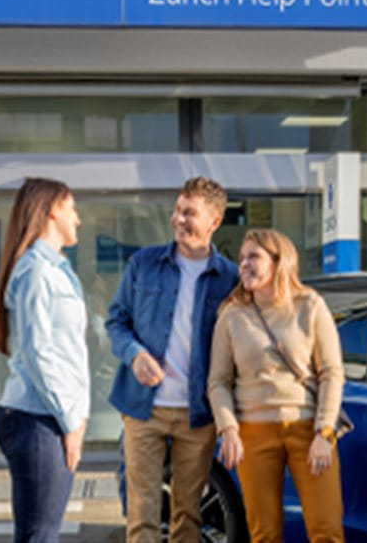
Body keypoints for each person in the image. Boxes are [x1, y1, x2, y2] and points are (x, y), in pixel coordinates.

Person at [106, 176, 238, 543]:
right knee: (141, 510)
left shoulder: (230, 279)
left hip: (197, 413)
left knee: (188, 513)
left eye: (190, 213)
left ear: (214, 221)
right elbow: (116, 321)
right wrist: (134, 355)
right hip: (143, 407)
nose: (179, 219)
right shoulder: (144, 264)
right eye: (178, 210)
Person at [208, 228, 345, 543]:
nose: (244, 264)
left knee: (326, 531)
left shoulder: (310, 305)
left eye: (254, 257)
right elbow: (218, 381)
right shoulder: (231, 315)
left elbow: (332, 373)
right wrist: (228, 429)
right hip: (253, 433)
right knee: (264, 534)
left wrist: (325, 432)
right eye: (242, 258)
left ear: (278, 261)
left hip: (309, 430)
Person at [0, 177, 90, 543]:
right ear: (52, 210)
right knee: (40, 536)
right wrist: (70, 421)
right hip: (37, 418)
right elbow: (38, 353)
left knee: (41, 535)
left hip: (47, 417)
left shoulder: (58, 269)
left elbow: (68, 351)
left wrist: (77, 415)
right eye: (72, 208)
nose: (78, 219)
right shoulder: (36, 271)